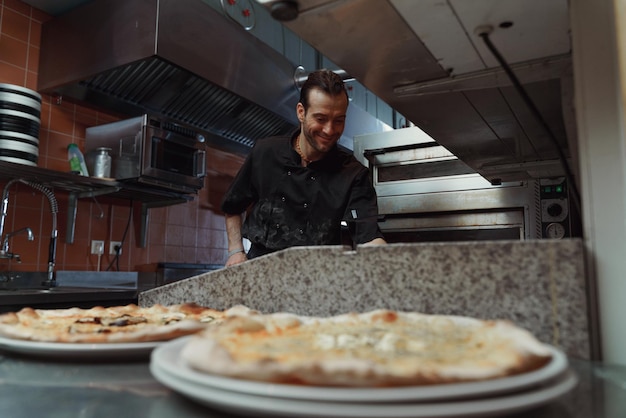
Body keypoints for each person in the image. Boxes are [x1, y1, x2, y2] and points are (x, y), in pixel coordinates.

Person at [221, 69, 386, 266]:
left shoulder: (353, 174)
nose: (329, 130)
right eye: (321, 119)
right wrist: (235, 251)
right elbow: (233, 206)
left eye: (339, 120)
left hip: (316, 277)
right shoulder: (266, 152)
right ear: (301, 112)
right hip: (260, 270)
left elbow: (368, 238)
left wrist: (388, 262)